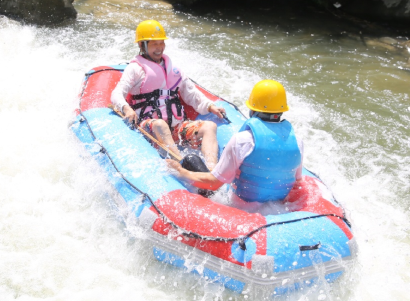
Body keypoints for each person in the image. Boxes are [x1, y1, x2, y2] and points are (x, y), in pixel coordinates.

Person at [112, 19, 226, 167]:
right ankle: (183, 166)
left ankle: (211, 172)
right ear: (142, 45)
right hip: (150, 128)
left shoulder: (174, 69)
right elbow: (116, 93)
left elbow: (191, 94)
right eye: (154, 44)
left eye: (162, 43)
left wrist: (210, 106)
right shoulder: (135, 69)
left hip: (177, 128)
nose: (160, 48)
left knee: (210, 126)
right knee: (160, 124)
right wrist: (126, 108)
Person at [166, 79, 303, 202]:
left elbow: (214, 183)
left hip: (240, 208)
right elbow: (296, 181)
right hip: (277, 207)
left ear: (252, 110)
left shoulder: (243, 140)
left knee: (191, 160)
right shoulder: (298, 140)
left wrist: (182, 172)